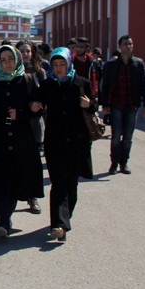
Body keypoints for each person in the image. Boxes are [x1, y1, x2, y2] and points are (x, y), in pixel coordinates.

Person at [34, 47, 97, 241]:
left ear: (69, 63)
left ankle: (64, 218)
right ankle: (59, 225)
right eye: (55, 64)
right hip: (55, 141)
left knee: (72, 184)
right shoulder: (47, 84)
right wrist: (34, 106)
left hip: (77, 142)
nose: (59, 68)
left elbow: (94, 103)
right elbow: (37, 105)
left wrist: (90, 104)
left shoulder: (81, 83)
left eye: (62, 64)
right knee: (58, 183)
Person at [0, 45, 44, 239]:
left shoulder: (27, 79)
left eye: (11, 59)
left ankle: (6, 218)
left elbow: (40, 108)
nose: (8, 63)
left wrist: (23, 113)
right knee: (0, 179)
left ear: (17, 59)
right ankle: (1, 222)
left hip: (21, 138)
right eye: (4, 60)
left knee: (15, 180)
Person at [101, 35, 145, 175]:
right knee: (116, 135)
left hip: (131, 105)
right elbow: (104, 86)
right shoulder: (111, 65)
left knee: (128, 136)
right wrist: (105, 105)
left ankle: (124, 163)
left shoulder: (138, 63)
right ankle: (114, 164)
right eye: (125, 44)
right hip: (116, 104)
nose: (128, 46)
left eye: (130, 44)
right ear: (120, 46)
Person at [16, 39, 47, 214]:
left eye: (28, 51)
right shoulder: (11, 71)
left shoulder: (39, 72)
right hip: (17, 122)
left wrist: (36, 104)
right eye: (22, 51)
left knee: (34, 164)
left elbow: (45, 96)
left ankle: (32, 198)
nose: (25, 54)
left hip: (34, 123)